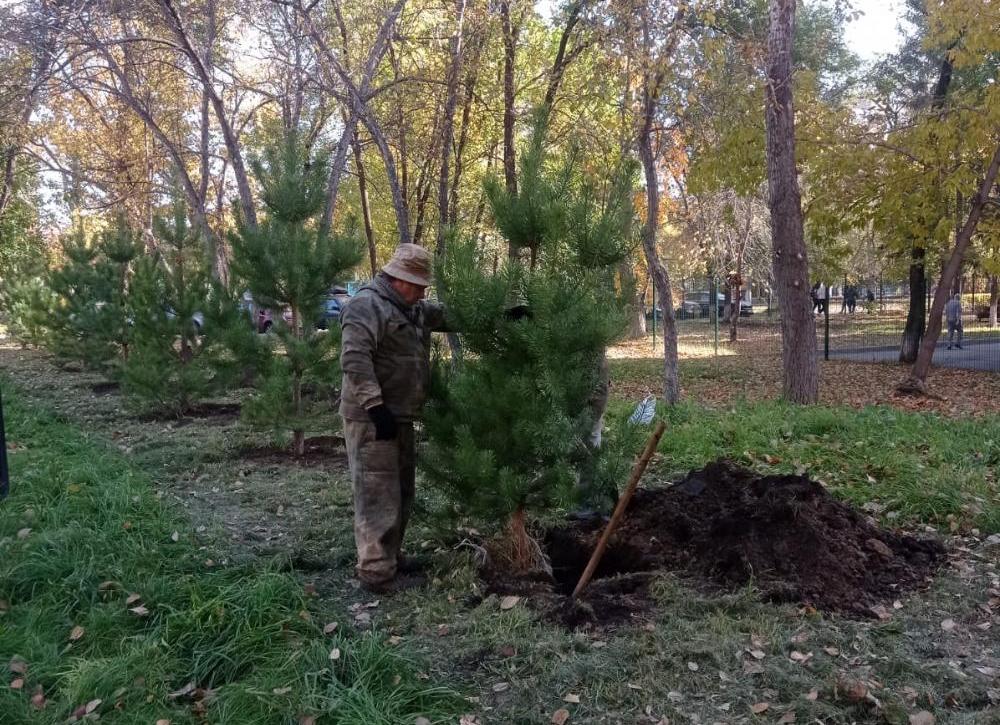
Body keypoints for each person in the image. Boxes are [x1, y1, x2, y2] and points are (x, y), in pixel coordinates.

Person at [339, 244, 448, 593]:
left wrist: (501, 314)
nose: (421, 292)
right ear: (396, 277)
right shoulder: (366, 305)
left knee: (401, 490)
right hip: (373, 417)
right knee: (377, 492)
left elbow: (448, 316)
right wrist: (375, 406)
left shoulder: (410, 307)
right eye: (416, 284)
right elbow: (355, 359)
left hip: (399, 414)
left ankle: (391, 557)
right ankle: (375, 571)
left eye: (423, 287)